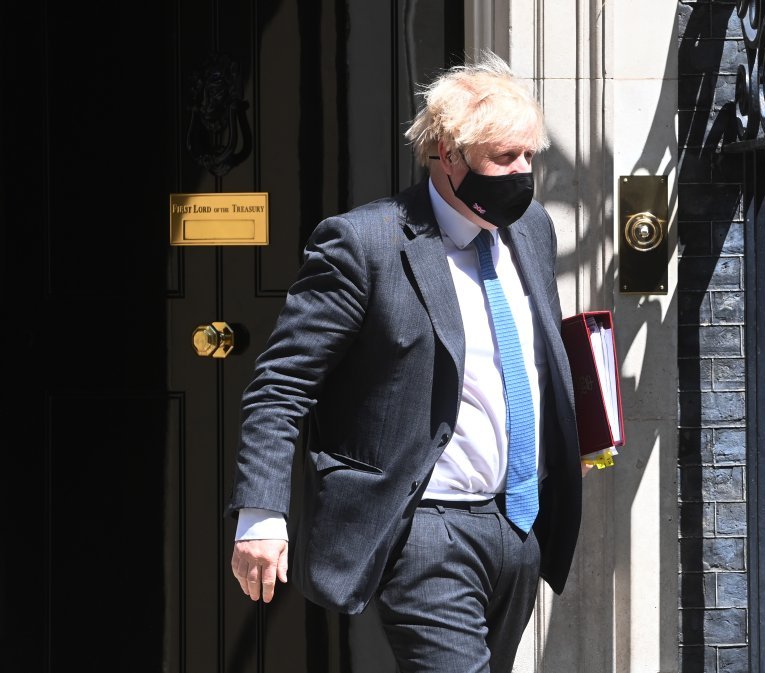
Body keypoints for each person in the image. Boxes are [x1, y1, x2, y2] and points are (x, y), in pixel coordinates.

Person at [226, 50, 584, 673]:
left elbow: (527, 360)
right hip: (424, 530)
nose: (523, 174)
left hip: (518, 525)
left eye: (530, 156)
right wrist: (260, 514)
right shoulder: (364, 245)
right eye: (504, 157)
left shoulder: (531, 231)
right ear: (448, 153)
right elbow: (280, 386)